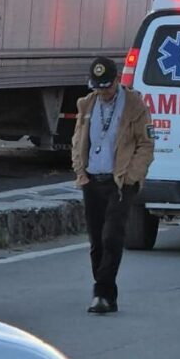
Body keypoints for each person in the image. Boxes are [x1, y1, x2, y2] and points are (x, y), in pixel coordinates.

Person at [71, 57, 155, 314]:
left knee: (112, 236)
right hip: (92, 180)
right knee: (96, 240)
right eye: (98, 87)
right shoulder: (86, 104)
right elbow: (78, 140)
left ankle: (102, 293)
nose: (102, 92)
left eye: (106, 86)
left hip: (120, 183)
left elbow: (146, 144)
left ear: (117, 80)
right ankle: (106, 289)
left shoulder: (135, 105)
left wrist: (131, 177)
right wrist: (80, 171)